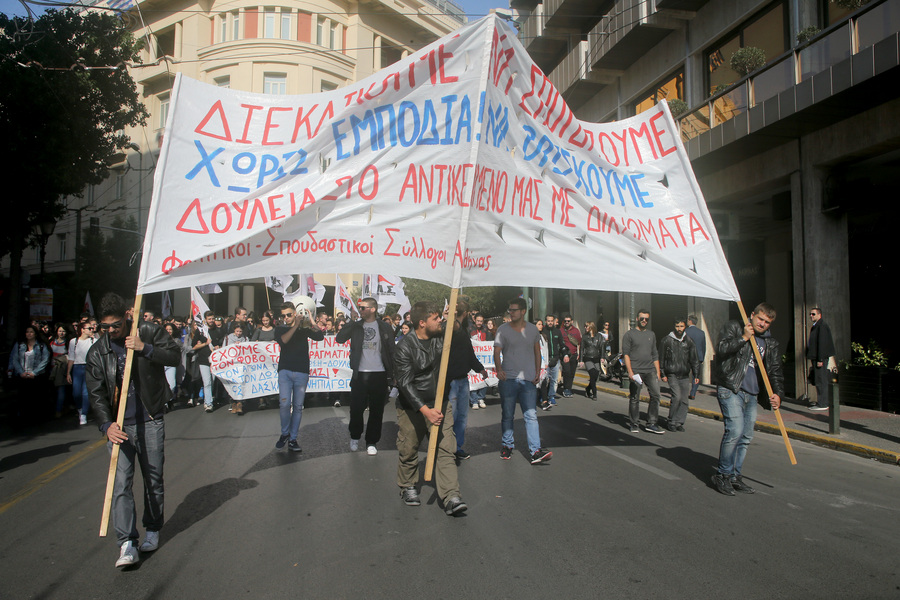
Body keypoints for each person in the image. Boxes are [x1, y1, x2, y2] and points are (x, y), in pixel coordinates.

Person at [86, 293, 180, 568]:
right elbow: (96, 394)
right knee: (120, 483)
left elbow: (174, 356)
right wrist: (106, 425)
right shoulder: (97, 352)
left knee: (153, 478)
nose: (111, 331)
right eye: (105, 327)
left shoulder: (148, 331)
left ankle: (152, 529)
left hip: (149, 419)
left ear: (127, 316)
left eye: (115, 325)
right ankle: (126, 542)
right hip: (119, 426)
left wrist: (144, 348)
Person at [394, 301, 467, 515]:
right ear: (422, 323)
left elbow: (455, 330)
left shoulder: (439, 336)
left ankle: (451, 495)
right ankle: (407, 485)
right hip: (413, 407)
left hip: (440, 402)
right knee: (409, 448)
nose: (440, 321)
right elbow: (405, 384)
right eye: (436, 319)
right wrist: (425, 411)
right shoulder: (404, 347)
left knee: (446, 449)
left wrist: (451, 316)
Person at [710, 303, 784, 496]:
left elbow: (775, 371)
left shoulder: (770, 343)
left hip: (752, 394)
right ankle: (722, 475)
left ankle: (735, 476)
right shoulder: (734, 327)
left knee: (746, 436)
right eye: (760, 319)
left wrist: (778, 394)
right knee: (734, 430)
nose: (762, 324)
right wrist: (743, 337)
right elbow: (722, 348)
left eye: (767, 322)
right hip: (731, 388)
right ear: (752, 315)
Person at [494, 298, 553, 464]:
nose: (511, 312)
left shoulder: (533, 330)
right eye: (510, 310)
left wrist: (537, 372)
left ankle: (535, 451)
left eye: (514, 310)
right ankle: (507, 445)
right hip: (508, 379)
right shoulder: (502, 329)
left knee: (531, 415)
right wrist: (499, 370)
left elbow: (537, 353)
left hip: (528, 380)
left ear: (523, 311)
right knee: (507, 415)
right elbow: (496, 351)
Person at [335, 297, 396, 455]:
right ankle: (355, 435)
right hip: (360, 374)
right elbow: (340, 338)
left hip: (379, 374)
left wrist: (394, 374)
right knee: (356, 408)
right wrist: (352, 322)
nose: (360, 310)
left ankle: (372, 442)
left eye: (363, 308)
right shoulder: (356, 326)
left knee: (376, 410)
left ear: (373, 309)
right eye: (360, 308)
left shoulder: (384, 327)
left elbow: (391, 351)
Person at [274, 301, 324, 452]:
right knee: (284, 404)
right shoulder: (280, 329)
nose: (287, 318)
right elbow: (284, 341)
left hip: (302, 371)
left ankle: (293, 439)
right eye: (284, 316)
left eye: (289, 314)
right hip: (285, 371)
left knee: (297, 407)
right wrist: (295, 325)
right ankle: (285, 433)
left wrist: (312, 321)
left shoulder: (304, 329)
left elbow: (320, 337)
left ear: (295, 313)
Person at [446, 300, 488, 461]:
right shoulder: (452, 328)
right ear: (467, 313)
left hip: (463, 380)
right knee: (452, 416)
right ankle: (447, 448)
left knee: (462, 416)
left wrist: (480, 369)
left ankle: (457, 447)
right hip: (452, 381)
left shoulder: (463, 330)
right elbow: (449, 329)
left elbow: (469, 354)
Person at [623, 309, 663, 434]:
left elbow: (655, 354)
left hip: (650, 370)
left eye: (646, 319)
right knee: (635, 397)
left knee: (656, 395)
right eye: (642, 319)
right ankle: (634, 423)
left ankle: (651, 423)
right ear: (637, 319)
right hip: (636, 371)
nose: (644, 321)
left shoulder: (651, 334)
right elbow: (626, 355)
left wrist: (658, 371)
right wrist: (630, 371)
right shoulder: (629, 335)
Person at [659, 318, 700, 432]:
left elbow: (694, 359)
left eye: (681, 326)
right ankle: (671, 421)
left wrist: (696, 375)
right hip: (672, 373)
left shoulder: (689, 341)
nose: (679, 329)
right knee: (676, 397)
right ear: (674, 327)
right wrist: (662, 373)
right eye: (677, 326)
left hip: (685, 375)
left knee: (684, 400)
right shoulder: (666, 340)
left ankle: (679, 422)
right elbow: (661, 358)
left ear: (685, 327)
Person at [8, 324, 51, 425]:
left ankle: (35, 418)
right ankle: (23, 418)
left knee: (35, 398)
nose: (29, 334)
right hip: (22, 375)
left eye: (31, 332)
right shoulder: (19, 345)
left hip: (36, 376)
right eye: (27, 332)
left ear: (35, 334)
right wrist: (21, 372)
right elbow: (15, 359)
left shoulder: (41, 345)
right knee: (22, 398)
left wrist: (34, 373)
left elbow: (45, 359)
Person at [67, 321, 97, 425]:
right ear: (82, 330)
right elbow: (71, 357)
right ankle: (79, 408)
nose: (91, 330)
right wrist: (68, 373)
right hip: (77, 367)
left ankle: (84, 414)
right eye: (89, 328)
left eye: (92, 328)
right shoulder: (74, 341)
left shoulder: (94, 341)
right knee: (76, 393)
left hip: (88, 367)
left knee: (85, 392)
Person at [807, 307, 836, 411]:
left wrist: (820, 359)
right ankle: (821, 401)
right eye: (810, 314)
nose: (811, 316)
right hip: (816, 357)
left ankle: (823, 403)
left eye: (813, 314)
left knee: (821, 380)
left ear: (819, 315)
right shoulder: (816, 326)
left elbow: (822, 344)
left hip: (820, 358)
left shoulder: (822, 326)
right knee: (818, 379)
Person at [191, 312, 217, 413]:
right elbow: (194, 346)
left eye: (212, 318)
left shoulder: (217, 330)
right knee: (207, 382)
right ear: (205, 320)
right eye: (209, 319)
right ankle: (208, 403)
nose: (211, 320)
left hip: (215, 361)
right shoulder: (200, 331)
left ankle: (210, 397)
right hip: (203, 360)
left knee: (212, 381)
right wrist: (205, 344)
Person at [541, 314, 567, 409]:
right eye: (548, 321)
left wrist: (565, 354)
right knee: (544, 380)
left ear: (554, 321)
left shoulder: (557, 332)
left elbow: (562, 344)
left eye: (552, 321)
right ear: (546, 321)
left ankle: (551, 396)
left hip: (555, 359)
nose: (550, 322)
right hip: (545, 360)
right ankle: (543, 397)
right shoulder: (542, 331)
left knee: (554, 380)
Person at [50, 323, 73, 418]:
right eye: (60, 331)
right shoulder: (51, 341)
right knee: (53, 390)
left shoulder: (68, 342)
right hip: (51, 369)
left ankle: (58, 410)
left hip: (62, 369)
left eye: (63, 331)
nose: (61, 333)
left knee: (61, 389)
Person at [580, 321, 603, 399]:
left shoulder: (599, 336)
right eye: (585, 326)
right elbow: (581, 349)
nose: (585, 328)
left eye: (587, 326)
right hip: (588, 357)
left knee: (595, 376)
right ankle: (594, 393)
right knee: (592, 373)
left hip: (596, 357)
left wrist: (602, 357)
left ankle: (588, 388)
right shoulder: (584, 337)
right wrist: (581, 360)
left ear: (591, 327)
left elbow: (602, 347)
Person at [559, 314, 581, 397]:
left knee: (572, 373)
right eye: (565, 321)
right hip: (565, 355)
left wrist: (579, 355)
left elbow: (579, 343)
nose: (567, 322)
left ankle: (569, 388)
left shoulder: (576, 331)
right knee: (566, 371)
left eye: (568, 321)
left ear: (572, 321)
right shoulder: (561, 330)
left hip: (574, 355)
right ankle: (566, 389)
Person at [685, 315, 706, 400]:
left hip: (687, 357)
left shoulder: (685, 331)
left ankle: (683, 391)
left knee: (685, 375)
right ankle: (693, 393)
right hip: (698, 357)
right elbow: (703, 346)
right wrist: (702, 357)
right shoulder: (701, 332)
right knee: (696, 376)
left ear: (690, 321)